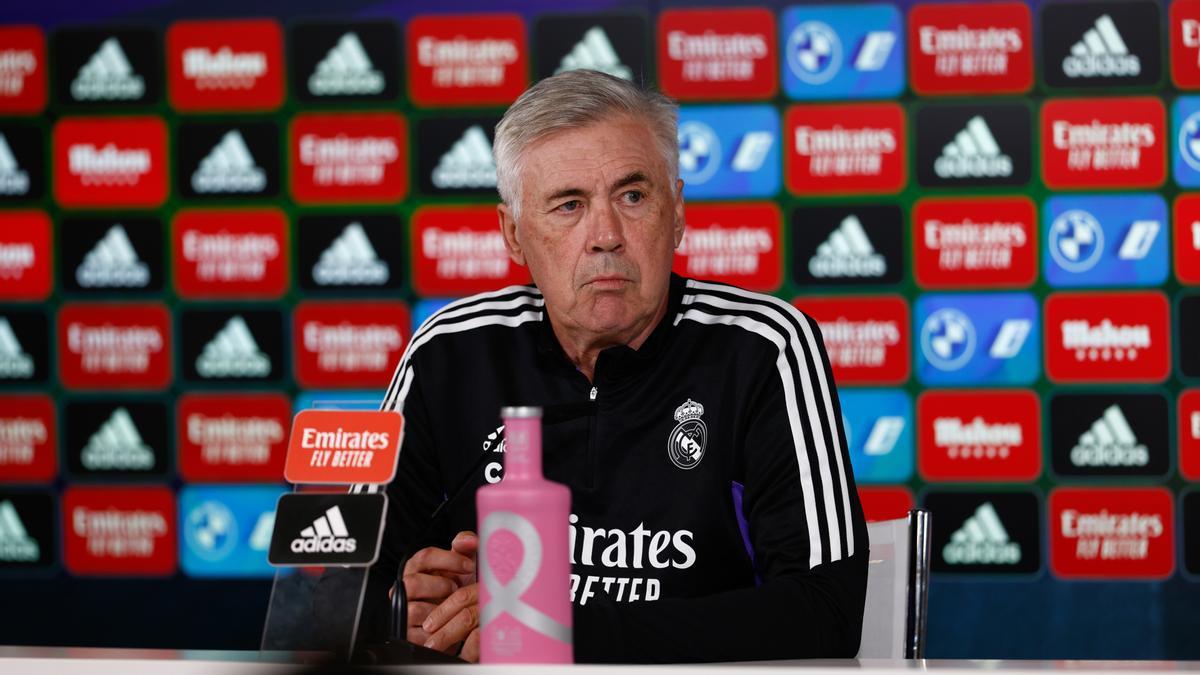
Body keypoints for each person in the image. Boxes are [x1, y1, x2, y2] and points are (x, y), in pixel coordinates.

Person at [355, 69, 868, 663]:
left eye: (632, 196)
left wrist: (558, 634)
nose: (605, 235)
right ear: (514, 235)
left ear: (675, 213)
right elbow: (344, 596)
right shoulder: (450, 352)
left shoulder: (761, 348)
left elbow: (826, 611)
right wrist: (401, 607)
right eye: (568, 205)